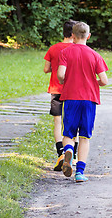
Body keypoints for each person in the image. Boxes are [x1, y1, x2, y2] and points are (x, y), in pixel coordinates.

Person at [57, 21, 108, 182]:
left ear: (72, 35)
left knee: (67, 134)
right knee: (85, 137)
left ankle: (69, 150)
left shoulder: (65, 52)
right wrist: (95, 82)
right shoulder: (95, 55)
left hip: (71, 98)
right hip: (89, 99)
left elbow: (60, 75)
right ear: (89, 36)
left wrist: (68, 79)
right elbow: (105, 80)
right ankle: (80, 173)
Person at [43, 20, 79, 171]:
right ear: (74, 34)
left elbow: (46, 69)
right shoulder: (78, 49)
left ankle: (60, 153)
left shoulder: (53, 48)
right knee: (73, 123)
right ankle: (73, 155)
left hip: (56, 89)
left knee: (58, 121)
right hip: (73, 91)